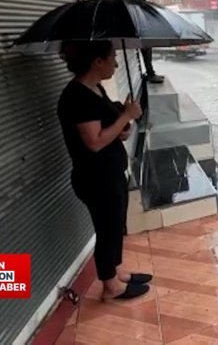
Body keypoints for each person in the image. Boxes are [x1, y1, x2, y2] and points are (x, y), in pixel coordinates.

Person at [57, 40, 152, 301]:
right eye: (112, 57)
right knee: (107, 228)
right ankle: (111, 287)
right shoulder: (77, 96)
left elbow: (109, 131)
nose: (117, 63)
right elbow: (95, 142)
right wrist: (125, 116)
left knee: (115, 225)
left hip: (110, 173)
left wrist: (124, 124)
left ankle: (116, 271)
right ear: (97, 61)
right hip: (95, 178)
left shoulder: (95, 88)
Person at [133, 0, 164, 84]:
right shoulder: (137, 1)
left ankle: (151, 73)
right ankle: (151, 75)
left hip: (145, 31)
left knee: (148, 53)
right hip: (142, 32)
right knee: (146, 53)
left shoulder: (141, 0)